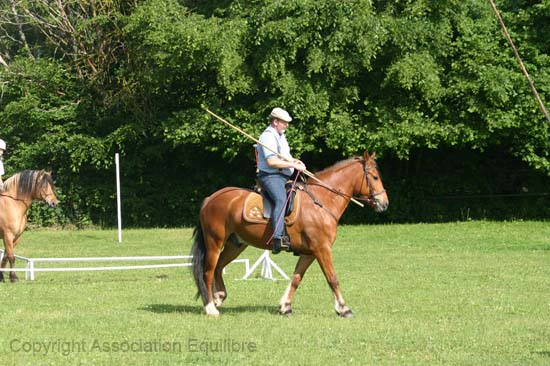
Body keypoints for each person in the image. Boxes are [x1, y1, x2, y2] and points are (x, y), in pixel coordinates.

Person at [256, 107, 306, 254]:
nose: (287, 125)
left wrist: (296, 162)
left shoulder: (281, 135)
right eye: (284, 122)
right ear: (275, 122)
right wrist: (292, 165)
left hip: (283, 175)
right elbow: (272, 162)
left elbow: (286, 157)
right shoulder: (267, 137)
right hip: (270, 176)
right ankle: (278, 238)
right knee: (281, 199)